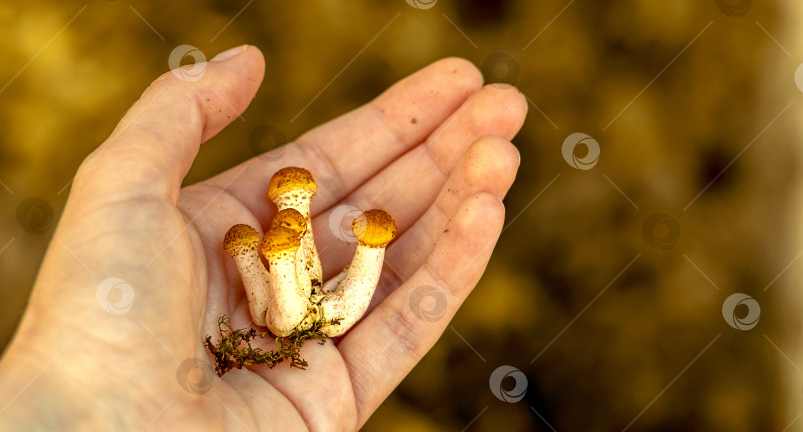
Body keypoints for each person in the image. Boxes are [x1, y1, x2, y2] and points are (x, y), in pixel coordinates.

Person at [0, 45, 526, 430]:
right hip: (281, 329)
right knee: (294, 303)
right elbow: (284, 309)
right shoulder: (279, 270)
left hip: (302, 319)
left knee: (313, 299)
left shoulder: (304, 265)